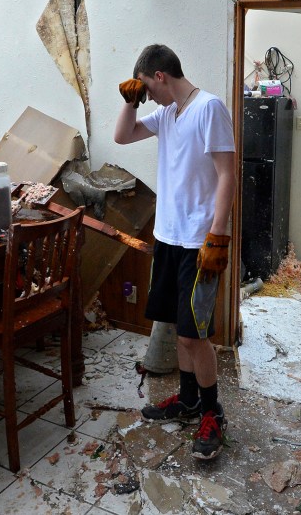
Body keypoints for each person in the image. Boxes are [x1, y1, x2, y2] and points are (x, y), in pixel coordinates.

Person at [114, 43, 236, 461]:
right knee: (176, 324)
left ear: (160, 76)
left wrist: (218, 233)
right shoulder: (167, 115)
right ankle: (187, 402)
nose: (146, 96)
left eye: (145, 88)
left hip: (200, 243)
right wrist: (130, 103)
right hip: (168, 237)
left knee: (192, 334)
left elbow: (227, 172)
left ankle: (211, 412)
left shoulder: (209, 108)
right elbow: (122, 135)